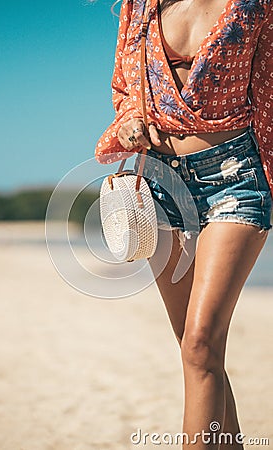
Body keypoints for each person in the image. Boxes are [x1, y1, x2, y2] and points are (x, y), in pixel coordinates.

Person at [95, 0, 273, 449]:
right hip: (160, 182)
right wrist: (131, 121)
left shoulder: (257, 6)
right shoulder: (143, 6)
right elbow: (125, 90)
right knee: (198, 351)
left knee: (199, 345)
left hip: (235, 177)